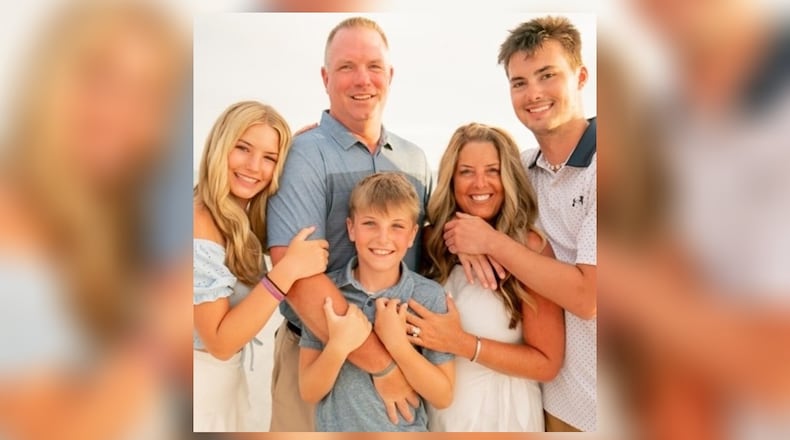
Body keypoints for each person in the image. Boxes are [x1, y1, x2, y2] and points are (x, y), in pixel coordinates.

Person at [0, 1, 188, 438]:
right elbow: (57, 431)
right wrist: (159, 336)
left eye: (147, 93)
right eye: (102, 78)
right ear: (53, 77)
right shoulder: (12, 220)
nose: (120, 111)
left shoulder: (104, 224)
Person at [415, 16, 597, 432]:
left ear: (581, 76)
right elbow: (455, 216)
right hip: (560, 406)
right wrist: (459, 237)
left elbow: (589, 298)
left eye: (547, 75)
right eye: (519, 82)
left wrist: (488, 241)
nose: (533, 93)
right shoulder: (528, 171)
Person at [265, 17, 434, 431]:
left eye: (374, 66)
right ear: (325, 77)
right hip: (319, 352)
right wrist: (383, 368)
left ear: (390, 75)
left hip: (404, 353)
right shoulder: (302, 155)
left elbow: (424, 257)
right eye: (346, 67)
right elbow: (298, 277)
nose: (363, 79)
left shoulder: (415, 160)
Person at [398, 123, 562, 431]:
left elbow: (547, 362)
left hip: (503, 415)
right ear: (451, 178)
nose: (479, 183)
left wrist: (463, 344)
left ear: (509, 177)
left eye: (492, 170)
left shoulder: (530, 249)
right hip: (438, 413)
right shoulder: (431, 243)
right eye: (466, 171)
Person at [192, 101, 329, 431]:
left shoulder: (236, 217)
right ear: (220, 145)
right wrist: (287, 271)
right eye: (243, 148)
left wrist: (302, 152)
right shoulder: (199, 221)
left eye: (270, 158)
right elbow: (220, 342)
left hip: (221, 388)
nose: (255, 166)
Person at [298, 172, 455, 432]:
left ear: (413, 234)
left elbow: (443, 395)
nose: (383, 238)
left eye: (397, 226)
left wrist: (396, 343)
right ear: (351, 228)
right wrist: (339, 345)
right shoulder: (328, 292)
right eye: (370, 223)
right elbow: (309, 391)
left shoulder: (428, 297)